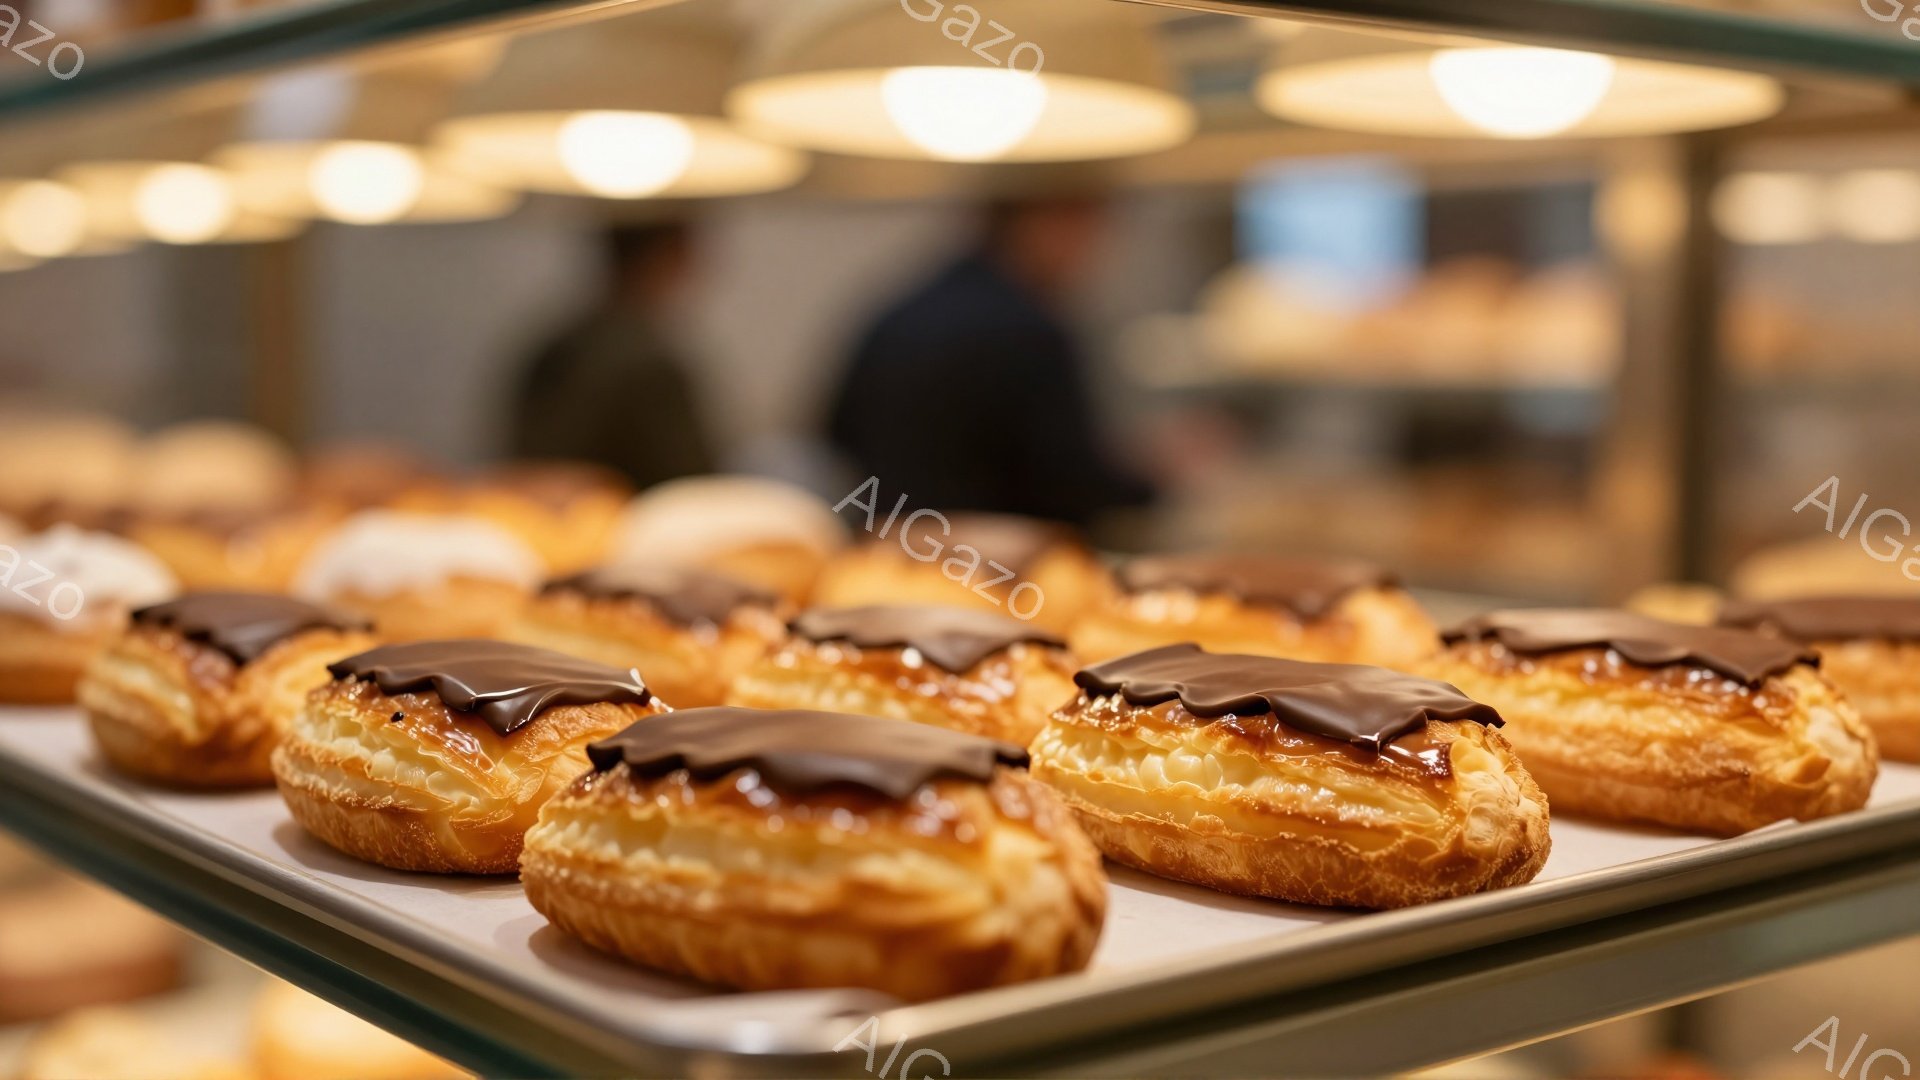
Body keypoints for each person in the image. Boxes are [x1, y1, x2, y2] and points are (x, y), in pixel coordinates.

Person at [826, 197, 1153, 527]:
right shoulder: (1027, 329)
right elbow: (1070, 482)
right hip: (990, 552)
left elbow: (834, 438)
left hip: (887, 539)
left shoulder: (906, 306)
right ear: (1050, 222)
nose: (1095, 254)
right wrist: (1151, 475)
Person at [509, 223, 715, 487]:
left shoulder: (555, 345)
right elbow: (691, 481)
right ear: (672, 254)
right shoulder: (650, 364)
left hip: (536, 505)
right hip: (624, 508)